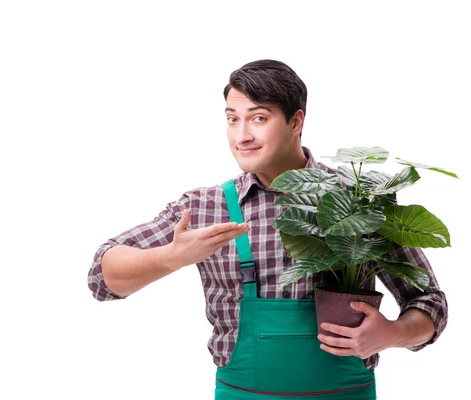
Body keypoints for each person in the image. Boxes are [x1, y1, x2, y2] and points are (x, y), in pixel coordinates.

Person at [88, 59, 448, 399]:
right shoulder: (204, 208)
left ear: (296, 122)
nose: (242, 136)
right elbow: (102, 277)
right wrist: (171, 256)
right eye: (232, 120)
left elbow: (429, 301)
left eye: (258, 118)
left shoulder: (358, 201)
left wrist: (393, 333)